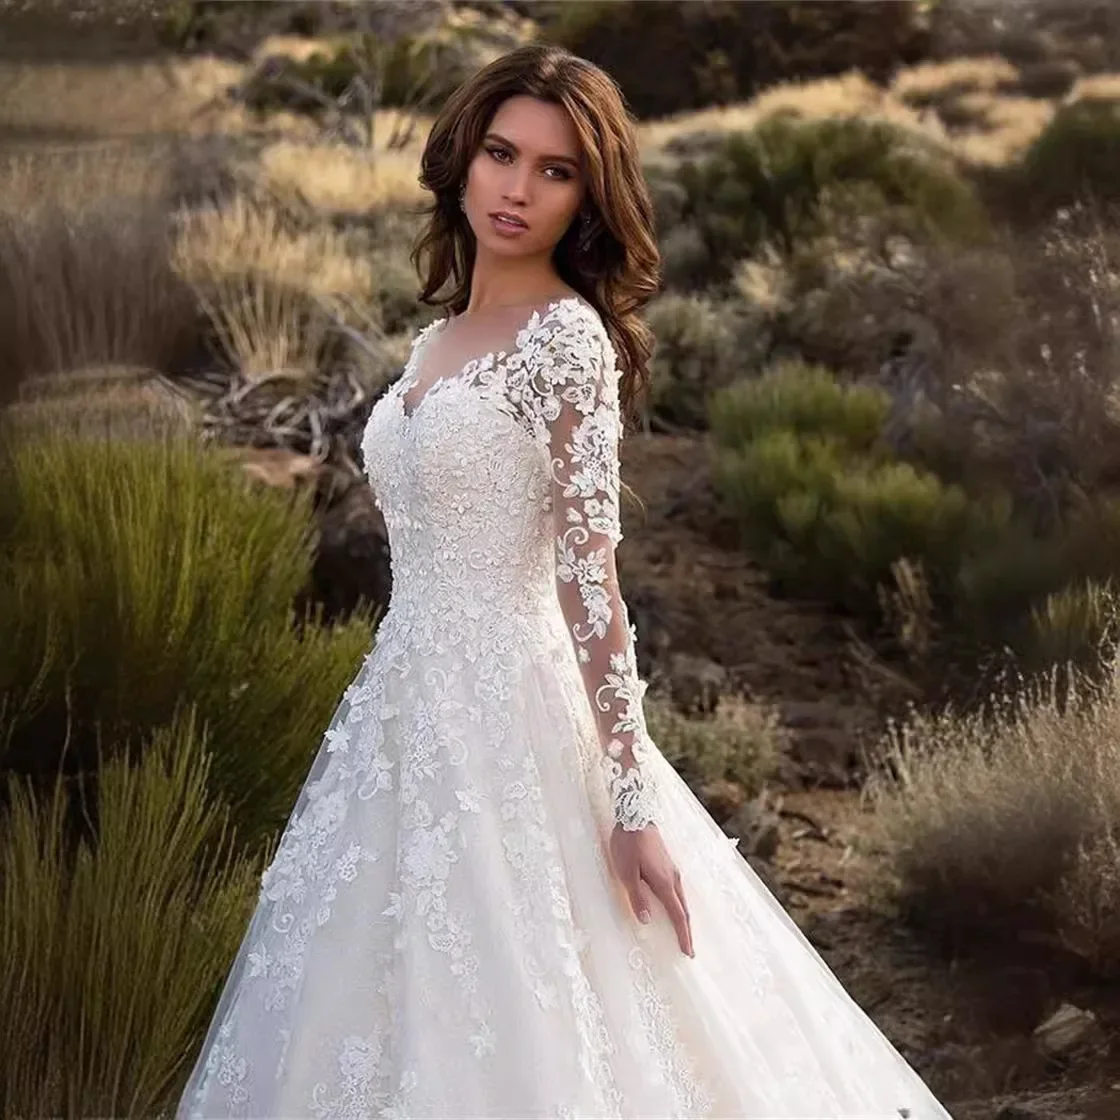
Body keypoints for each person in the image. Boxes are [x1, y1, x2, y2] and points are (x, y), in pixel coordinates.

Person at [177, 43, 954, 1120]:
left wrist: (632, 801)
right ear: (462, 158)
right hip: (400, 715)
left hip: (518, 717)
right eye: (502, 153)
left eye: (556, 170)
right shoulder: (432, 341)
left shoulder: (565, 340)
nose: (517, 187)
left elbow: (591, 581)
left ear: (588, 198)